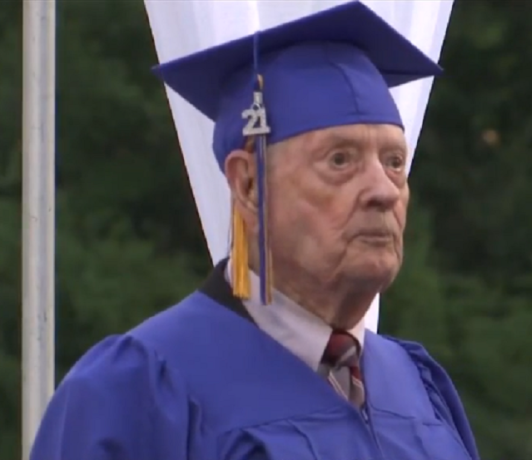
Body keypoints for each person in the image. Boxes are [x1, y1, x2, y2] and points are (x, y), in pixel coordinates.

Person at [30, 2, 480, 460]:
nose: (382, 191)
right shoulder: (138, 392)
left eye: (394, 163)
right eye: (340, 161)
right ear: (248, 184)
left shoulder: (420, 388)